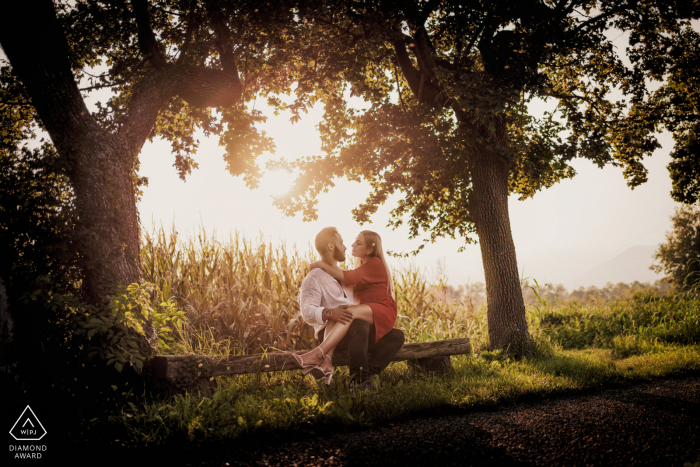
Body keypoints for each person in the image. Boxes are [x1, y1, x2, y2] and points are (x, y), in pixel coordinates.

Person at [295, 227, 404, 388]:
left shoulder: (347, 275)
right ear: (331, 246)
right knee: (357, 323)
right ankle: (359, 380)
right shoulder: (314, 277)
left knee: (397, 335)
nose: (347, 247)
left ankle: (367, 373)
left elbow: (357, 292)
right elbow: (307, 313)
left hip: (357, 331)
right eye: (342, 242)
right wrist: (330, 312)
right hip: (332, 334)